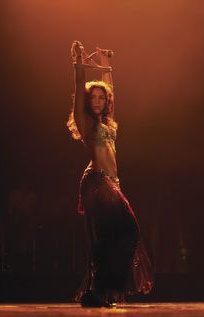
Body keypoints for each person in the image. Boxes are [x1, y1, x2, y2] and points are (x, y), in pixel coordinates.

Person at [67, 40, 154, 307]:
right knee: (125, 230)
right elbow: (79, 92)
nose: (97, 100)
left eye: (101, 97)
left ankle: (100, 292)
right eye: (92, 97)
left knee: (114, 236)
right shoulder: (86, 124)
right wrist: (79, 62)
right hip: (96, 183)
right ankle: (101, 289)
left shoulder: (108, 124)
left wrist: (105, 63)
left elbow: (111, 88)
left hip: (110, 184)